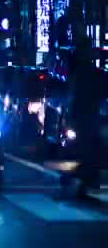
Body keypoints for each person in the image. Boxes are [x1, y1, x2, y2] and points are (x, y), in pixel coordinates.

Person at [58, 23, 102, 199]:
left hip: (86, 115)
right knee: (79, 148)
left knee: (85, 149)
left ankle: (82, 180)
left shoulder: (86, 71)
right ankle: (76, 180)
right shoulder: (79, 70)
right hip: (81, 115)